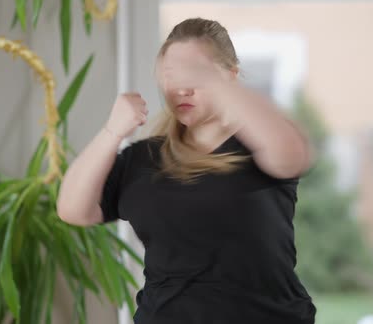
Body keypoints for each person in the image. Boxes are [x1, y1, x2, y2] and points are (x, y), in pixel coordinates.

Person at [57, 17, 317, 324]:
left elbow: (292, 155)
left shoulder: (260, 143)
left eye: (198, 74)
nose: (182, 89)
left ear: (230, 76)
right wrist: (112, 131)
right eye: (172, 75)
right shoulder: (143, 158)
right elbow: (73, 210)